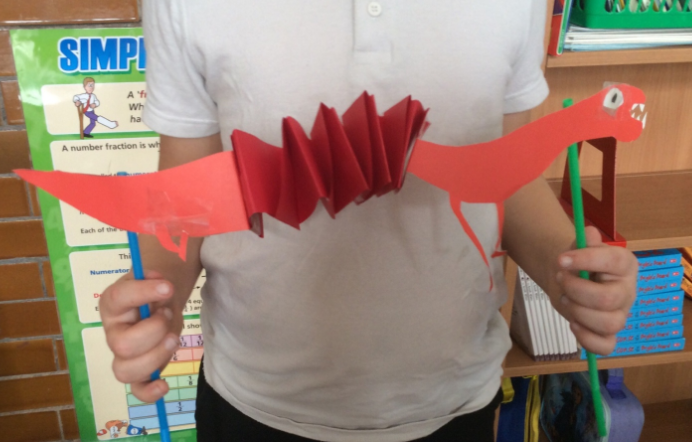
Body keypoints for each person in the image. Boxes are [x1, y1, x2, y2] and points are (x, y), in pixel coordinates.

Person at [99, 2, 638, 441]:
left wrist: (565, 270)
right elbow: (183, 198)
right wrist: (158, 299)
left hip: (456, 397)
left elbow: (505, 174)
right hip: (256, 403)